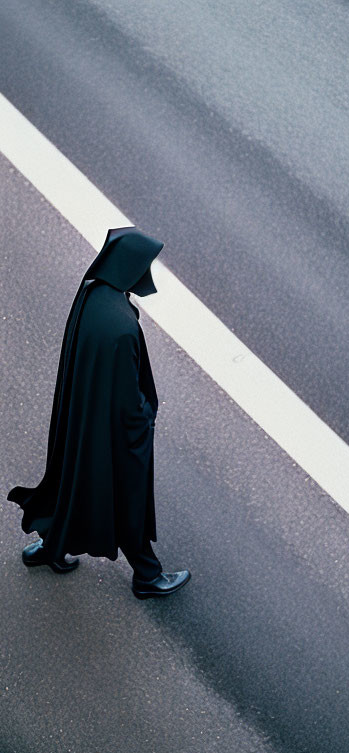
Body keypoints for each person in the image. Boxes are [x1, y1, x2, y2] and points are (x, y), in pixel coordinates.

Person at [7, 226, 191, 599]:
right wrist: (146, 419)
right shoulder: (121, 326)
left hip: (79, 415)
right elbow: (127, 405)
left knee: (69, 478)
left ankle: (51, 546)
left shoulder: (92, 293)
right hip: (111, 431)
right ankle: (147, 575)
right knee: (128, 496)